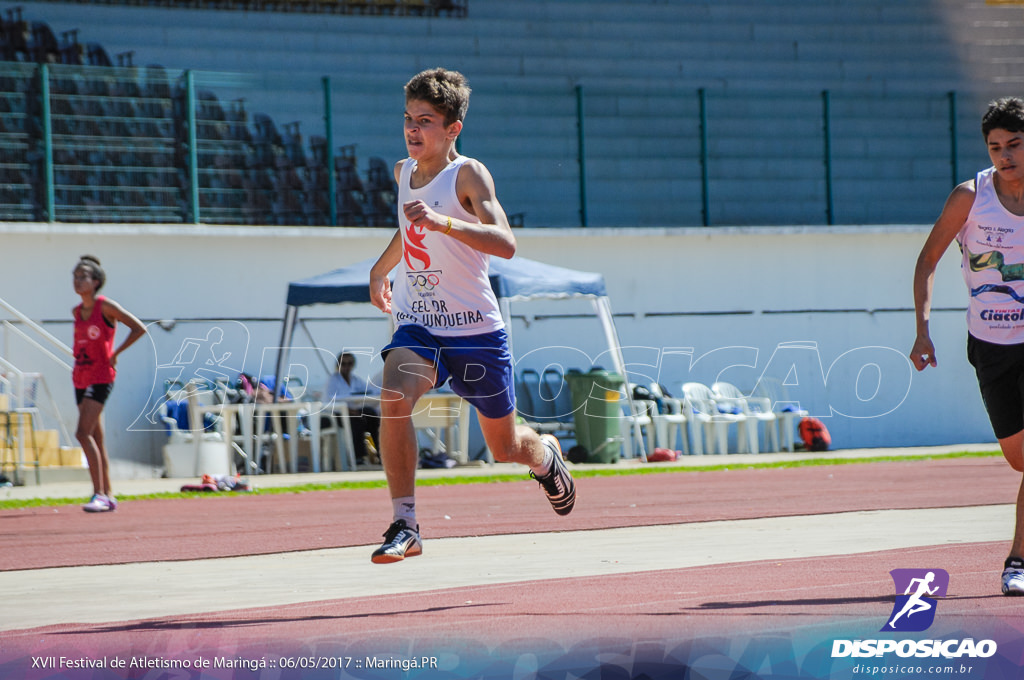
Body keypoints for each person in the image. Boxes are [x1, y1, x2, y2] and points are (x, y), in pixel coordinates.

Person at [366, 67, 576, 564]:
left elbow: (505, 243)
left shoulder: (468, 174)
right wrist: (379, 273)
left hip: (474, 330)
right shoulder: (402, 173)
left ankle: (545, 457)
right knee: (393, 395)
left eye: (426, 120)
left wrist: (443, 219)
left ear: (453, 128)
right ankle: (406, 522)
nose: (413, 129)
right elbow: (407, 231)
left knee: (504, 448)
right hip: (418, 322)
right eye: (408, 119)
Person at [911, 96, 1024, 596]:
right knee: (1020, 459)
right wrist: (923, 327)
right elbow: (928, 259)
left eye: (1015, 145)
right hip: (991, 343)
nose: (1005, 156)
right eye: (996, 147)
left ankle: (1016, 560)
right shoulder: (970, 196)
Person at [71, 255, 146, 513]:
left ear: (96, 281)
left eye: (83, 277)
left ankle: (98, 493)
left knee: (82, 433)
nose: (77, 281)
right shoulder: (76, 312)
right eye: (75, 276)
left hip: (101, 376)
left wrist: (116, 353)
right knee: (96, 437)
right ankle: (109, 495)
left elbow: (138, 328)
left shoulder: (106, 306)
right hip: (80, 375)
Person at [322, 351, 381, 465]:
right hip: (336, 414)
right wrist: (349, 410)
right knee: (355, 421)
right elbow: (329, 401)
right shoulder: (332, 380)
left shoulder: (355, 379)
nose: (346, 367)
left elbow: (369, 392)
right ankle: (358, 457)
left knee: (372, 414)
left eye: (349, 363)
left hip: (354, 412)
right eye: (343, 364)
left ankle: (381, 454)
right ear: (338, 365)